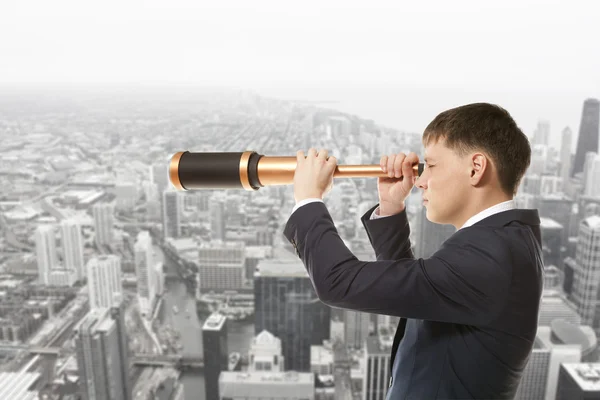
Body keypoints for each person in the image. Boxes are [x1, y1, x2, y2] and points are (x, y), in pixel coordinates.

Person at [283, 102, 544, 400]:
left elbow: (337, 282)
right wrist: (391, 205)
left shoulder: (490, 256)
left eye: (431, 165)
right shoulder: (502, 242)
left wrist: (308, 199)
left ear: (476, 168)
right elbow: (416, 293)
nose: (420, 181)